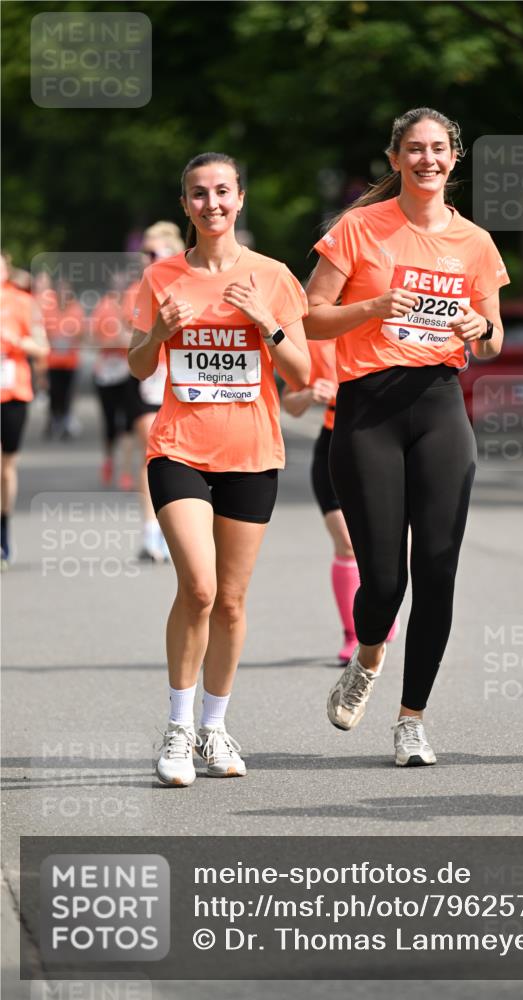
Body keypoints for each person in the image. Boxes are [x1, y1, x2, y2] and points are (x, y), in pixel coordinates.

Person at [305, 108, 510, 766]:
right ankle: (367, 656)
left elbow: (495, 334)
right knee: (385, 582)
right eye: (414, 149)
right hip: (367, 410)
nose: (427, 159)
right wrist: (370, 307)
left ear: (454, 159)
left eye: (439, 148)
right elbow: (309, 319)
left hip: (440, 404)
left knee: (438, 571)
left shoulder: (474, 242)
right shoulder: (358, 229)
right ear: (393, 158)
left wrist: (481, 330)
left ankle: (411, 719)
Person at [128, 152, 310, 786]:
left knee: (231, 602)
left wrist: (266, 324)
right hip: (178, 446)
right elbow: (138, 364)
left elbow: (303, 375)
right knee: (199, 588)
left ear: (240, 199)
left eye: (223, 192)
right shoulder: (161, 278)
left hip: (252, 454)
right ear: (185, 205)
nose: (212, 204)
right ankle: (178, 729)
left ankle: (214, 725)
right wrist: (159, 333)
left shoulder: (275, 277)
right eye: (199, 194)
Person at [282, 337, 399, 662]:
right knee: (346, 542)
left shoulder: (384, 325)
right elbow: (290, 403)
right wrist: (310, 394)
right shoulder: (314, 339)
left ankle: (382, 603)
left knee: (389, 543)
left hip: (384, 441)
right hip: (337, 443)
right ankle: (354, 635)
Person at [123, 222, 187, 558]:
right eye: (142, 251)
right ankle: (151, 532)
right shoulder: (138, 288)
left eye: (152, 251)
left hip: (188, 382)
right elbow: (126, 334)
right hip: (149, 378)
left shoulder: (191, 281)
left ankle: (179, 526)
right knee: (151, 453)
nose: (145, 258)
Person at [0, 252, 49, 568]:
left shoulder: (22, 302)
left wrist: (13, 339)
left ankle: (4, 526)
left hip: (14, 392)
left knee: (6, 468)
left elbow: (42, 347)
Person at [90, 276, 134, 486]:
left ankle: (125, 471)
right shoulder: (102, 308)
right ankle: (108, 460)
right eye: (116, 285)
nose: (120, 288)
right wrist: (113, 342)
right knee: (109, 423)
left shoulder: (133, 305)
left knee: (126, 423)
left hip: (128, 372)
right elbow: (92, 341)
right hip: (106, 373)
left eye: (123, 285)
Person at [39, 277, 85, 440]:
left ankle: (65, 422)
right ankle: (52, 421)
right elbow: (42, 331)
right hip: (52, 361)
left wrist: (69, 338)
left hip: (70, 362)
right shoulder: (49, 309)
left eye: (66, 291)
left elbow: (82, 333)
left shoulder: (76, 309)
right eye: (60, 290)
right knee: (53, 394)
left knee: (67, 394)